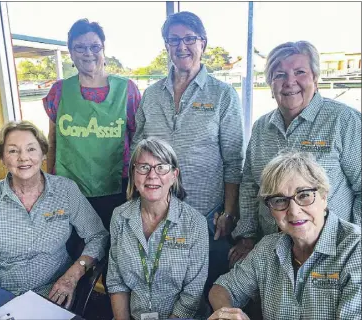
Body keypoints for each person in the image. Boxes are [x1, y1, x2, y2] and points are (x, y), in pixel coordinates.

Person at [132, 11, 245, 297]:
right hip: (156, 215)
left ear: (203, 43)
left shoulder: (222, 94)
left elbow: (233, 160)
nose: (182, 46)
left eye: (189, 39)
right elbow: (138, 149)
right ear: (166, 46)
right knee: (162, 287)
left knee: (203, 292)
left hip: (207, 218)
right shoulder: (152, 94)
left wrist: (229, 212)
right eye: (174, 40)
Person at [229, 40, 361, 267]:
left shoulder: (344, 121)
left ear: (315, 78)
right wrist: (247, 236)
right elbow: (251, 185)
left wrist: (351, 244)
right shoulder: (261, 127)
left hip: (330, 253)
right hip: (271, 253)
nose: (290, 82)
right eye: (279, 75)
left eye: (300, 72)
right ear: (270, 83)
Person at [209, 151, 361, 320]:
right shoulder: (268, 248)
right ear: (270, 209)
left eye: (304, 195)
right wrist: (228, 314)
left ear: (324, 197)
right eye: (280, 200)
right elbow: (221, 288)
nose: (294, 211)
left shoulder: (356, 250)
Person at [0, 121, 108, 309]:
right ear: (2, 157)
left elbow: (98, 235)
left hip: (53, 292)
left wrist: (73, 275)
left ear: (43, 154)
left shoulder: (65, 190)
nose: (23, 158)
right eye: (13, 151)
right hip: (3, 294)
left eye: (31, 149)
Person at [43, 18, 141, 230]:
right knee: (76, 246)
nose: (88, 53)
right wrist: (47, 183)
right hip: (70, 188)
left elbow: (138, 140)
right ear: (71, 51)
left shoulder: (127, 90)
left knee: (115, 244)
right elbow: (52, 141)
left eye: (94, 46)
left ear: (103, 49)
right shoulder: (58, 91)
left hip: (118, 187)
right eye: (80, 47)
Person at [106, 137, 209, 319]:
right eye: (144, 167)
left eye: (161, 167)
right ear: (133, 174)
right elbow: (116, 282)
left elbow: (192, 292)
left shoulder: (195, 223)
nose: (152, 175)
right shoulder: (119, 216)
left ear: (174, 176)